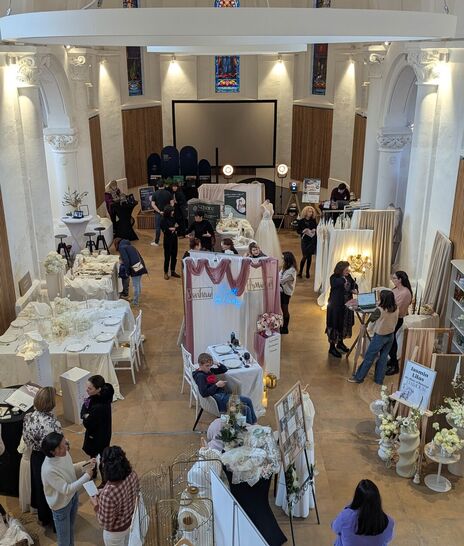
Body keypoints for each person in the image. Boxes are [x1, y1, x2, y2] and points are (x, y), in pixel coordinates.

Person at [41, 432, 95, 546]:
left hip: (73, 497)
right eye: (61, 447)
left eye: (65, 443)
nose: (66, 447)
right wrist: (87, 476)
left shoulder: (63, 454)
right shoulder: (48, 470)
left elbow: (70, 468)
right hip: (61, 506)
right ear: (52, 452)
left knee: (70, 530)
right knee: (64, 540)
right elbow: (66, 489)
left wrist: (85, 464)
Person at [23, 386, 62, 528]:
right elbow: (59, 445)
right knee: (53, 488)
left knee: (40, 487)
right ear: (51, 403)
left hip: (36, 457)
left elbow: (26, 440)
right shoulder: (53, 423)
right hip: (51, 458)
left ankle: (43, 517)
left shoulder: (28, 417)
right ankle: (55, 519)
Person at [91, 446, 139, 546]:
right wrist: (103, 491)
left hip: (116, 534)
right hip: (130, 523)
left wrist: (96, 505)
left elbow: (106, 523)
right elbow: (127, 492)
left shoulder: (108, 494)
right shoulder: (133, 474)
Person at [348, 290, 399, 385]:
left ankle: (358, 377)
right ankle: (379, 380)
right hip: (391, 336)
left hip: (380, 336)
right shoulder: (396, 308)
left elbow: (371, 321)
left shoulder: (379, 310)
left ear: (382, 299)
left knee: (369, 357)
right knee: (383, 358)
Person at [192, 353, 257, 425]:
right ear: (200, 364)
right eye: (207, 366)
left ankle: (253, 423)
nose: (209, 367)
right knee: (246, 409)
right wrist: (217, 385)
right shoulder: (200, 376)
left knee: (248, 401)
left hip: (223, 396)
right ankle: (250, 426)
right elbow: (204, 393)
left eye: (210, 365)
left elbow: (224, 369)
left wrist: (216, 363)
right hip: (218, 401)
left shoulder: (208, 371)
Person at [331, 479, 394, 545]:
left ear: (357, 499)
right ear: (378, 501)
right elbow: (388, 539)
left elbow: (335, 528)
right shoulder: (389, 522)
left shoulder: (346, 517)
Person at [326, 261, 358, 358]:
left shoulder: (348, 276)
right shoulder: (334, 278)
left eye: (348, 269)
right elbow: (337, 283)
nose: (348, 271)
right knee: (334, 325)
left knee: (343, 324)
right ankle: (332, 347)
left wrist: (354, 289)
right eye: (346, 269)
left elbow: (354, 284)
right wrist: (344, 279)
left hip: (346, 306)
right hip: (335, 307)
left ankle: (340, 343)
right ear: (341, 270)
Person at [386, 271, 413, 376]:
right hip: (391, 318)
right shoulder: (396, 289)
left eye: (394, 278)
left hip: (396, 319)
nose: (392, 280)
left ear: (400, 280)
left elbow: (395, 307)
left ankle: (395, 366)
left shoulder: (405, 293)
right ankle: (392, 361)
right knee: (390, 341)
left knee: (391, 341)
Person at [80, 375, 114, 459]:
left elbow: (88, 423)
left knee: (96, 458)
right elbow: (85, 406)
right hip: (103, 432)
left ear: (98, 389)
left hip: (97, 437)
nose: (87, 390)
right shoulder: (98, 397)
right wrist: (86, 415)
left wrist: (86, 416)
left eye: (90, 388)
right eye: (87, 387)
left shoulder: (99, 407)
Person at [114, 238, 147, 306]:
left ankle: (135, 302)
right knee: (138, 283)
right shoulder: (129, 246)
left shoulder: (121, 247)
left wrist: (127, 271)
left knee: (135, 285)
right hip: (140, 264)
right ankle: (136, 299)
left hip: (135, 266)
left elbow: (126, 260)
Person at [297, 206, 318, 279]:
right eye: (309, 211)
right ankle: (300, 271)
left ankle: (307, 271)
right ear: (305, 212)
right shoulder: (301, 221)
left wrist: (314, 230)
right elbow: (298, 231)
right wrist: (303, 231)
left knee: (309, 257)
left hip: (311, 240)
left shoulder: (313, 220)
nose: (311, 213)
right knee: (304, 256)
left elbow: (316, 228)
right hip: (305, 240)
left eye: (312, 212)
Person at [150, 179, 173, 246]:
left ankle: (156, 242)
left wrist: (159, 211)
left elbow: (153, 204)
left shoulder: (155, 193)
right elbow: (172, 203)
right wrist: (167, 211)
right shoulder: (168, 193)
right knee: (168, 227)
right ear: (164, 185)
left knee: (158, 228)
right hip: (167, 213)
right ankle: (169, 241)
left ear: (157, 185)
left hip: (158, 214)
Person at [160, 205, 181, 280]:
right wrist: (172, 229)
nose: (173, 212)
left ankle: (172, 271)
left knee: (174, 256)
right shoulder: (163, 220)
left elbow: (177, 226)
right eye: (172, 211)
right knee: (167, 257)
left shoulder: (173, 218)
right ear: (168, 211)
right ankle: (165, 272)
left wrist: (173, 229)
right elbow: (165, 230)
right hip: (167, 240)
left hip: (174, 239)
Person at [279, 251, 297, 334]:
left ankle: (285, 328)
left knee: (285, 310)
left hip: (286, 293)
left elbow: (282, 281)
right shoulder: (285, 267)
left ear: (287, 260)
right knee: (282, 309)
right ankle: (282, 326)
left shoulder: (292, 271)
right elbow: (279, 275)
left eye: (283, 259)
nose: (281, 260)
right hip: (282, 291)